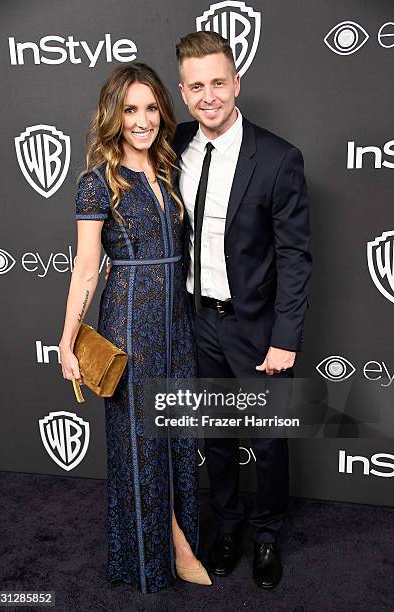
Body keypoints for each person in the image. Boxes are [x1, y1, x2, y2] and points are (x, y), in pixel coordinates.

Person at [58, 63, 211, 593]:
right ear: (114, 116)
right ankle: (174, 551)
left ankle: (178, 539)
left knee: (176, 435)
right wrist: (67, 337)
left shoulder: (169, 168)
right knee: (140, 443)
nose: (142, 120)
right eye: (130, 110)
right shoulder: (96, 182)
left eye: (150, 108)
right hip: (129, 321)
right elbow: (85, 266)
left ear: (161, 112)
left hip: (177, 322)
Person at [173, 32, 312, 589]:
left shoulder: (278, 158)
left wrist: (286, 338)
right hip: (196, 322)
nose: (209, 95)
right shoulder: (173, 144)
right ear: (183, 92)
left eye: (218, 82)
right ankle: (227, 528)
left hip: (256, 328)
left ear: (237, 83)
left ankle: (268, 536)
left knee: (268, 438)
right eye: (197, 85)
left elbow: (296, 258)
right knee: (218, 438)